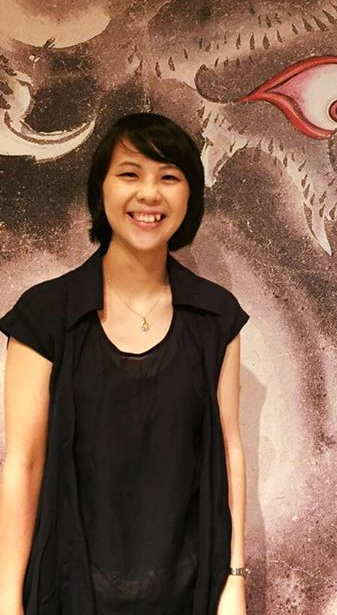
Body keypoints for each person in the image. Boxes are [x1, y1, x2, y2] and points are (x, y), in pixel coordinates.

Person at [0, 113, 250, 615]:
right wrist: (7, 599)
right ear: (102, 189)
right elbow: (22, 463)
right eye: (130, 174)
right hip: (68, 588)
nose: (149, 194)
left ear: (189, 196)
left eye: (169, 177)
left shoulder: (215, 316)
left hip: (191, 590)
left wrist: (234, 580)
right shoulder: (46, 315)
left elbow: (229, 451)